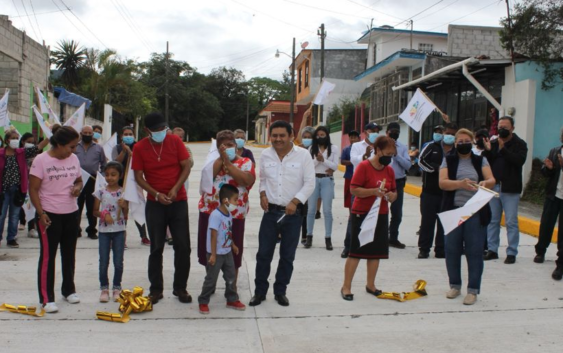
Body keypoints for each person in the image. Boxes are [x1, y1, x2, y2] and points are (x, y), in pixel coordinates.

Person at [250, 120, 315, 307]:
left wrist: (295, 201)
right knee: (263, 254)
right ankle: (259, 292)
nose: (278, 139)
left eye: (282, 135)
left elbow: (310, 183)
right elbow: (262, 179)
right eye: (275, 135)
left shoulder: (303, 156)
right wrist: (262, 194)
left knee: (287, 256)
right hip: (270, 212)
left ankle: (280, 291)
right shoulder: (265, 154)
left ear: (291, 136)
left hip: (293, 215)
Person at [132, 112, 192, 304]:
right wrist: (156, 194)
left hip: (178, 201)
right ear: (147, 130)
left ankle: (180, 288)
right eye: (156, 130)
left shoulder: (174, 141)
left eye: (163, 128)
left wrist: (175, 188)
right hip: (155, 203)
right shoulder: (140, 147)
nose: (161, 132)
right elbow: (139, 177)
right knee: (156, 247)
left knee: (183, 246)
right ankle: (156, 289)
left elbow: (186, 167)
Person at [28, 125, 83, 313]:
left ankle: (69, 290)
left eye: (75, 146)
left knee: (69, 253)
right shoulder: (41, 160)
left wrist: (78, 187)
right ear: (59, 144)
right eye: (71, 146)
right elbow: (33, 189)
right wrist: (41, 213)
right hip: (49, 215)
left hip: (71, 212)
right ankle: (46, 298)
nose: (73, 150)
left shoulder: (74, 159)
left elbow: (79, 180)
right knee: (48, 257)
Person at [439, 129, 495, 305]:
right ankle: (455, 285)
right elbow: (442, 183)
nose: (463, 143)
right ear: (455, 143)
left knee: (474, 251)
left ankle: (473, 290)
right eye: (459, 141)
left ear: (472, 142)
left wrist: (485, 183)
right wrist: (460, 184)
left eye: (466, 140)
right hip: (453, 211)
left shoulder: (480, 160)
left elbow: (491, 179)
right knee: (452, 249)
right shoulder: (448, 159)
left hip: (475, 212)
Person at [341, 136, 398, 301]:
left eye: (392, 154)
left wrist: (391, 195)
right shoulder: (364, 167)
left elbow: (394, 192)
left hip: (380, 214)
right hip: (362, 214)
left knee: (376, 252)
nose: (389, 157)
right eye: (387, 153)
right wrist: (373, 192)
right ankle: (346, 286)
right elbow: (354, 189)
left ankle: (371, 285)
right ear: (378, 150)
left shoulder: (389, 170)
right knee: (356, 252)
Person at [198, 130, 255, 290]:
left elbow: (246, 180)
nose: (227, 148)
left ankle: (232, 287)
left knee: (233, 253)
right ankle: (211, 283)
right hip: (210, 213)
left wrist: (228, 164)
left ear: (235, 146)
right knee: (209, 250)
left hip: (234, 216)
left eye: (230, 145)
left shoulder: (245, 162)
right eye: (222, 146)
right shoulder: (212, 162)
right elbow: (207, 179)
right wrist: (221, 159)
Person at [482, 116, 528, 264]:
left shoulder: (520, 144)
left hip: (510, 189)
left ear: (512, 129)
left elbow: (518, 161)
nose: (502, 130)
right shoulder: (494, 143)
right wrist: (488, 151)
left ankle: (511, 252)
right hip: (494, 187)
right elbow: (487, 162)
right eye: (500, 127)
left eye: (505, 127)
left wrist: (503, 149)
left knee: (511, 221)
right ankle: (492, 250)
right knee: (493, 220)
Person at [198, 184, 246, 314]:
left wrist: (233, 245)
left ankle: (231, 298)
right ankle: (203, 301)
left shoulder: (229, 215)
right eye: (235, 200)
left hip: (227, 252)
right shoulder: (215, 215)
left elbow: (227, 232)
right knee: (211, 279)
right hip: (216, 254)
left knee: (231, 276)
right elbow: (213, 235)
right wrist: (213, 255)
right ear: (226, 201)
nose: (237, 202)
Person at [416, 124, 458, 259]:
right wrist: (436, 169)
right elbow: (421, 161)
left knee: (444, 223)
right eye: (447, 133)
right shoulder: (431, 147)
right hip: (429, 192)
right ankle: (424, 249)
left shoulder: (457, 150)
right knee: (427, 222)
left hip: (447, 193)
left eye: (452, 134)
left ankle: (441, 249)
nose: (449, 136)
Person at [0, 130, 48, 248]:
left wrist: (50, 134)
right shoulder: (1, 153)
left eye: (17, 138)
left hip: (17, 190)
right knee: (1, 215)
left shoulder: (21, 153)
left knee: (14, 215)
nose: (16, 140)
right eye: (13, 138)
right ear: (7, 141)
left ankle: (11, 238)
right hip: (3, 190)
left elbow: (39, 147)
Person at [93, 161, 128, 303]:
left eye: (113, 175)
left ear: (120, 176)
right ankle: (104, 288)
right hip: (104, 231)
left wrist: (124, 206)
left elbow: (126, 213)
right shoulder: (100, 191)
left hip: (119, 231)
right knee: (104, 261)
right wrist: (103, 215)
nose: (110, 178)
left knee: (118, 261)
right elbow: (94, 211)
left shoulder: (124, 192)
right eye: (107, 175)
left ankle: (117, 287)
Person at [113, 126, 150, 246]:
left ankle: (144, 236)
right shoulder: (117, 147)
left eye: (130, 134)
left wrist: (129, 151)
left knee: (138, 208)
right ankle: (121, 238)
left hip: (134, 182)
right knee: (122, 210)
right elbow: (116, 162)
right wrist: (124, 151)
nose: (128, 136)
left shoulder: (139, 146)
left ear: (134, 136)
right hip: (120, 183)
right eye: (125, 134)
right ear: (121, 136)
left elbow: (138, 160)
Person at [534, 127, 563, 280]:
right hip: (553, 195)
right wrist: (549, 168)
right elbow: (545, 172)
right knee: (546, 224)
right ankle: (540, 251)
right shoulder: (554, 151)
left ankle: (560, 263)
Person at [304, 126, 339, 250]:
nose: (320, 137)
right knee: (311, 210)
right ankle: (309, 236)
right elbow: (308, 166)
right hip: (313, 180)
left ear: (327, 135)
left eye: (322, 134)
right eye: (318, 135)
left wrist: (322, 160)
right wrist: (319, 161)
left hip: (327, 180)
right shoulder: (310, 148)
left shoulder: (333, 148)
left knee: (327, 210)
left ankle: (328, 238)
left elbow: (335, 166)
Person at [75, 125, 106, 239]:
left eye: (89, 133)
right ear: (81, 133)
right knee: (77, 205)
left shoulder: (99, 148)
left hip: (92, 180)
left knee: (92, 206)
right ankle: (76, 229)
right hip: (78, 180)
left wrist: (100, 177)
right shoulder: (75, 147)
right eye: (85, 133)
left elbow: (104, 164)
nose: (87, 135)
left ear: (92, 134)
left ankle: (92, 229)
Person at [386, 122, 411, 249]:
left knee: (397, 213)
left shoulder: (402, 147)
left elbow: (408, 165)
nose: (394, 133)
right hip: (383, 182)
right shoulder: (380, 145)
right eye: (392, 131)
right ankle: (380, 236)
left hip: (398, 182)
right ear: (387, 132)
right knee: (380, 211)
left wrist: (396, 154)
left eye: (397, 131)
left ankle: (393, 237)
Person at [170, 127, 195, 246]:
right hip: (169, 181)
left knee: (179, 205)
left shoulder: (186, 149)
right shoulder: (166, 148)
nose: (178, 139)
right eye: (176, 136)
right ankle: (169, 235)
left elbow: (190, 163)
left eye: (180, 137)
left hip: (182, 181)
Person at [18, 132, 45, 238]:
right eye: (28, 142)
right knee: (22, 204)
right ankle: (22, 222)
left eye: (32, 142)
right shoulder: (20, 153)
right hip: (22, 183)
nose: (31, 144)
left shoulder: (36, 154)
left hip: (33, 183)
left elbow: (42, 144)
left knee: (33, 206)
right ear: (23, 142)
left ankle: (32, 227)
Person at [341, 130, 361, 258]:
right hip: (350, 178)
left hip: (363, 181)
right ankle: (348, 245)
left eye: (355, 137)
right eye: (351, 137)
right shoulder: (347, 149)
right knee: (352, 211)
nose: (353, 139)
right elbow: (343, 161)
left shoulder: (368, 149)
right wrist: (354, 161)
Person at [298, 126, 315, 244]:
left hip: (309, 184)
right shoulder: (296, 150)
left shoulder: (315, 150)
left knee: (306, 211)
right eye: (305, 137)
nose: (307, 139)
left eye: (309, 137)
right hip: (297, 183)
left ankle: (305, 235)